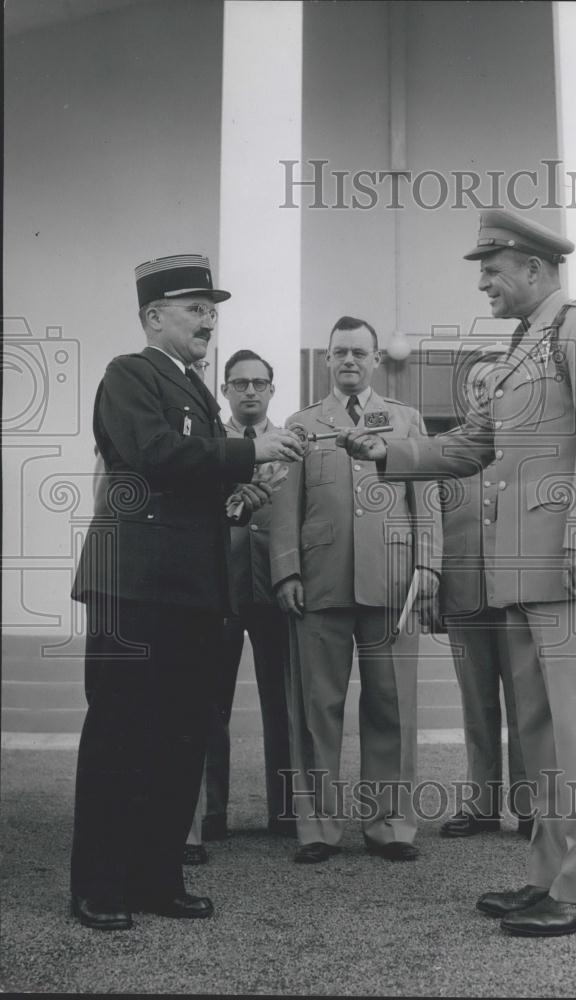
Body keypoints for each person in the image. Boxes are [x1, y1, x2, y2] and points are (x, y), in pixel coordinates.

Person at [338, 211, 576, 935]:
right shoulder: (522, 348)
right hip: (525, 573)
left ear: (537, 268)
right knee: (543, 740)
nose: (482, 279)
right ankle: (549, 878)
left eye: (492, 266)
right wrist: (386, 455)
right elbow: (475, 442)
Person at [69, 254, 303, 930]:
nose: (209, 320)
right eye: (196, 308)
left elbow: (193, 478)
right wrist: (251, 453)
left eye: (212, 309)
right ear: (153, 317)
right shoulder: (128, 375)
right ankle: (101, 887)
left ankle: (156, 877)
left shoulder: (198, 390)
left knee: (179, 737)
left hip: (194, 592)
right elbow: (156, 455)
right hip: (134, 588)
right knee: (119, 732)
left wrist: (240, 490)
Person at [270, 315, 442, 863]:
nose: (349, 361)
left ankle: (391, 824)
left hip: (392, 584)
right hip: (319, 584)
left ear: (375, 360)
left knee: (392, 704)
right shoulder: (300, 424)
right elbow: (284, 508)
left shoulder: (405, 420)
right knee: (317, 707)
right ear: (326, 359)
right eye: (339, 352)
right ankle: (317, 828)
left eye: (359, 353)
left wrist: (429, 566)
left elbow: (427, 499)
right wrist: (286, 571)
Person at [184, 349, 296, 865]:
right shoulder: (209, 447)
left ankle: (285, 809)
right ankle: (212, 813)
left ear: (273, 389)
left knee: (282, 702)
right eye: (239, 383)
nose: (249, 391)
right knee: (211, 704)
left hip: (276, 589)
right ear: (225, 391)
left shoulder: (292, 446)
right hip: (219, 590)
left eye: (259, 383)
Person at [435, 357, 532, 840]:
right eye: (479, 384)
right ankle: (481, 802)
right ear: (467, 393)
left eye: (497, 383)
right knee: (476, 704)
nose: (487, 391)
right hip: (464, 594)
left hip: (516, 594)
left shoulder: (528, 447)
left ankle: (531, 803)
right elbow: (431, 521)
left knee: (525, 703)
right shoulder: (448, 449)